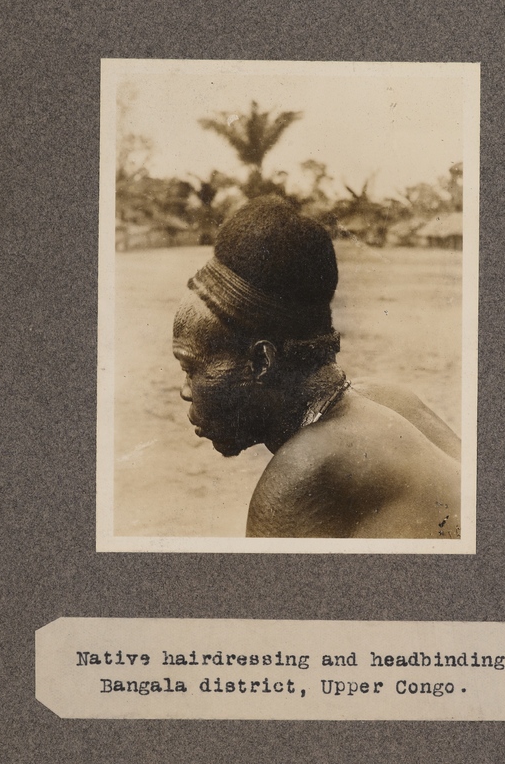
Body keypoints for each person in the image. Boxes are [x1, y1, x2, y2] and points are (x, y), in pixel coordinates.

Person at [173, 196, 461, 539]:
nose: (184, 390)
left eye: (190, 367)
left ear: (263, 361)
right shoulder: (390, 399)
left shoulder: (306, 470)